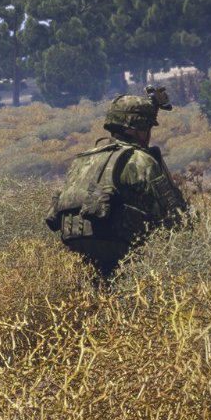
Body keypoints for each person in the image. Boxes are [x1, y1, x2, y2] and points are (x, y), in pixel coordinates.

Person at [45, 86, 188, 280]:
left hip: (76, 250)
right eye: (147, 128)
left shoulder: (83, 159)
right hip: (123, 251)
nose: (149, 134)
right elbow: (175, 215)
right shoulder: (141, 160)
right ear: (136, 128)